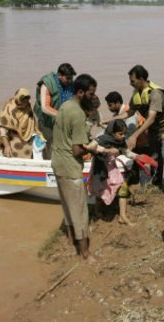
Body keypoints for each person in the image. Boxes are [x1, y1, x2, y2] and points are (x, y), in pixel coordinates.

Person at [52, 73, 116, 263]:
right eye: (91, 93)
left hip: (57, 161)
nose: (93, 96)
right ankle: (85, 253)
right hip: (70, 165)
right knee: (80, 210)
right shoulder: (78, 114)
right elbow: (77, 149)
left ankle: (71, 239)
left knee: (67, 205)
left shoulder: (64, 106)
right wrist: (96, 150)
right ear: (80, 93)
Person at [107, 65, 164, 194]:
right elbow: (129, 112)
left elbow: (150, 118)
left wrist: (134, 136)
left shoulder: (155, 94)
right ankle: (157, 181)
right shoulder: (136, 94)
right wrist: (112, 119)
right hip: (153, 129)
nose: (130, 84)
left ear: (141, 79)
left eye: (132, 81)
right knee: (155, 155)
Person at [86, 120, 155, 226]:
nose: (123, 136)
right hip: (100, 169)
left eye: (124, 134)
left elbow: (126, 152)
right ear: (113, 133)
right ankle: (97, 211)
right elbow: (90, 147)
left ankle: (123, 217)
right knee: (100, 191)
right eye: (120, 134)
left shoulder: (120, 141)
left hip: (112, 168)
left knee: (122, 188)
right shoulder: (103, 138)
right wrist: (107, 150)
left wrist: (137, 157)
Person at [34, 63, 76, 158]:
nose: (70, 81)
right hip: (47, 121)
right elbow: (45, 108)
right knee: (49, 146)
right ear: (60, 75)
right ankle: (48, 165)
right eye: (67, 78)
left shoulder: (70, 84)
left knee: (65, 145)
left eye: (71, 78)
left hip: (63, 122)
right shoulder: (47, 84)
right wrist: (63, 115)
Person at [0, 88, 42, 158]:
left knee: (29, 153)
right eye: (23, 101)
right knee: (13, 154)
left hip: (26, 139)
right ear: (18, 98)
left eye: (27, 101)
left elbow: (32, 124)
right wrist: (7, 146)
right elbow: (2, 129)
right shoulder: (9, 109)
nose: (25, 103)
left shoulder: (28, 108)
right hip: (12, 140)